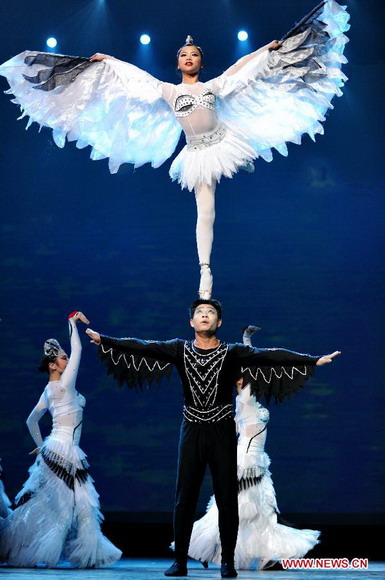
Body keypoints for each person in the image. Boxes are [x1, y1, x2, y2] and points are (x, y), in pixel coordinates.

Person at [0, 1, 350, 299]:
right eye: (183, 54)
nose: (188, 57)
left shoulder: (213, 85)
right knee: (205, 211)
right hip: (198, 153)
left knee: (238, 162)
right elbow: (137, 79)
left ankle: (245, 160)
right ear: (178, 61)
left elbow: (240, 70)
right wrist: (109, 60)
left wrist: (265, 50)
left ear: (200, 61)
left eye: (194, 54)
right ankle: (205, 271)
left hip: (223, 141)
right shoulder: (168, 91)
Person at [85, 299, 340, 577]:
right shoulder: (179, 349)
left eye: (210, 313)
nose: (205, 315)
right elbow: (143, 346)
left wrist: (312, 360)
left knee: (227, 497)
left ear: (219, 323)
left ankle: (228, 562)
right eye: (199, 312)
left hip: (221, 431)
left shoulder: (232, 352)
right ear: (192, 322)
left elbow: (270, 355)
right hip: (192, 429)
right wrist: (105, 340)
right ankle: (180, 561)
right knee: (185, 497)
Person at [188, 325, 320, 570]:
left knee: (263, 513)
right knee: (237, 510)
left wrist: (247, 340)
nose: (243, 381)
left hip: (258, 464)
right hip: (245, 464)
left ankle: (266, 554)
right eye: (239, 380)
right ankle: (210, 549)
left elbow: (250, 367)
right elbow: (249, 365)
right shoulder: (244, 402)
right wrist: (246, 340)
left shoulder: (251, 400)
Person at [0, 312, 122, 568]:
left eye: (66, 357)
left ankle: (85, 552)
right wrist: (72, 322)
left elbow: (31, 421)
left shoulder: (48, 390)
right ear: (53, 365)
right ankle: (60, 553)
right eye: (62, 357)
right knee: (73, 507)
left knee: (67, 505)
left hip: (56, 449)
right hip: (65, 451)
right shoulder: (65, 384)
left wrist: (41, 446)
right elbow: (77, 349)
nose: (67, 359)